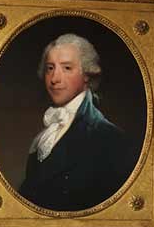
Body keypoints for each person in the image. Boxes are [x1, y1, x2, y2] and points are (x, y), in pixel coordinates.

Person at [17, 33, 136, 212]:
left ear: (87, 74)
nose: (54, 78)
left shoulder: (108, 137)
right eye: (50, 68)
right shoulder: (44, 136)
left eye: (66, 68)